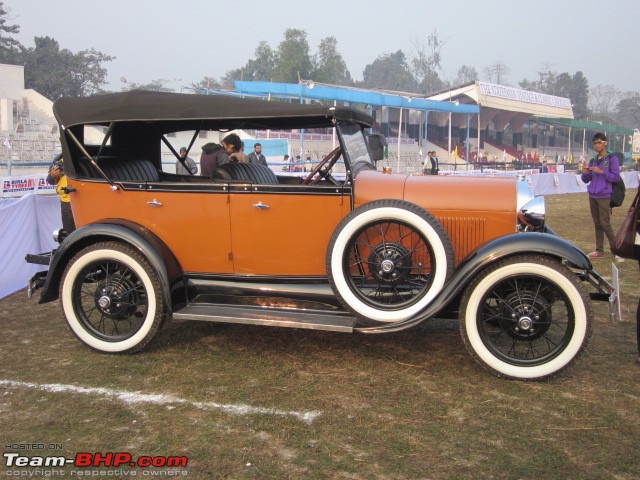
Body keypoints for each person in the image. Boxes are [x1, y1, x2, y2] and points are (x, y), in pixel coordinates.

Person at [580, 132, 621, 259]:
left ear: (605, 143)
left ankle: (618, 251)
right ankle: (599, 251)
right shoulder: (593, 160)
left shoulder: (612, 159)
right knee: (597, 224)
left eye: (599, 142)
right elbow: (586, 179)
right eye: (595, 143)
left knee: (605, 224)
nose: (596, 145)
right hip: (593, 195)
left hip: (604, 195)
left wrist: (602, 171)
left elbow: (616, 177)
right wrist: (585, 173)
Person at [46, 154, 76, 237]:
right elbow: (50, 180)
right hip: (67, 203)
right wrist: (52, 175)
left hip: (84, 200)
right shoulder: (60, 160)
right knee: (69, 233)